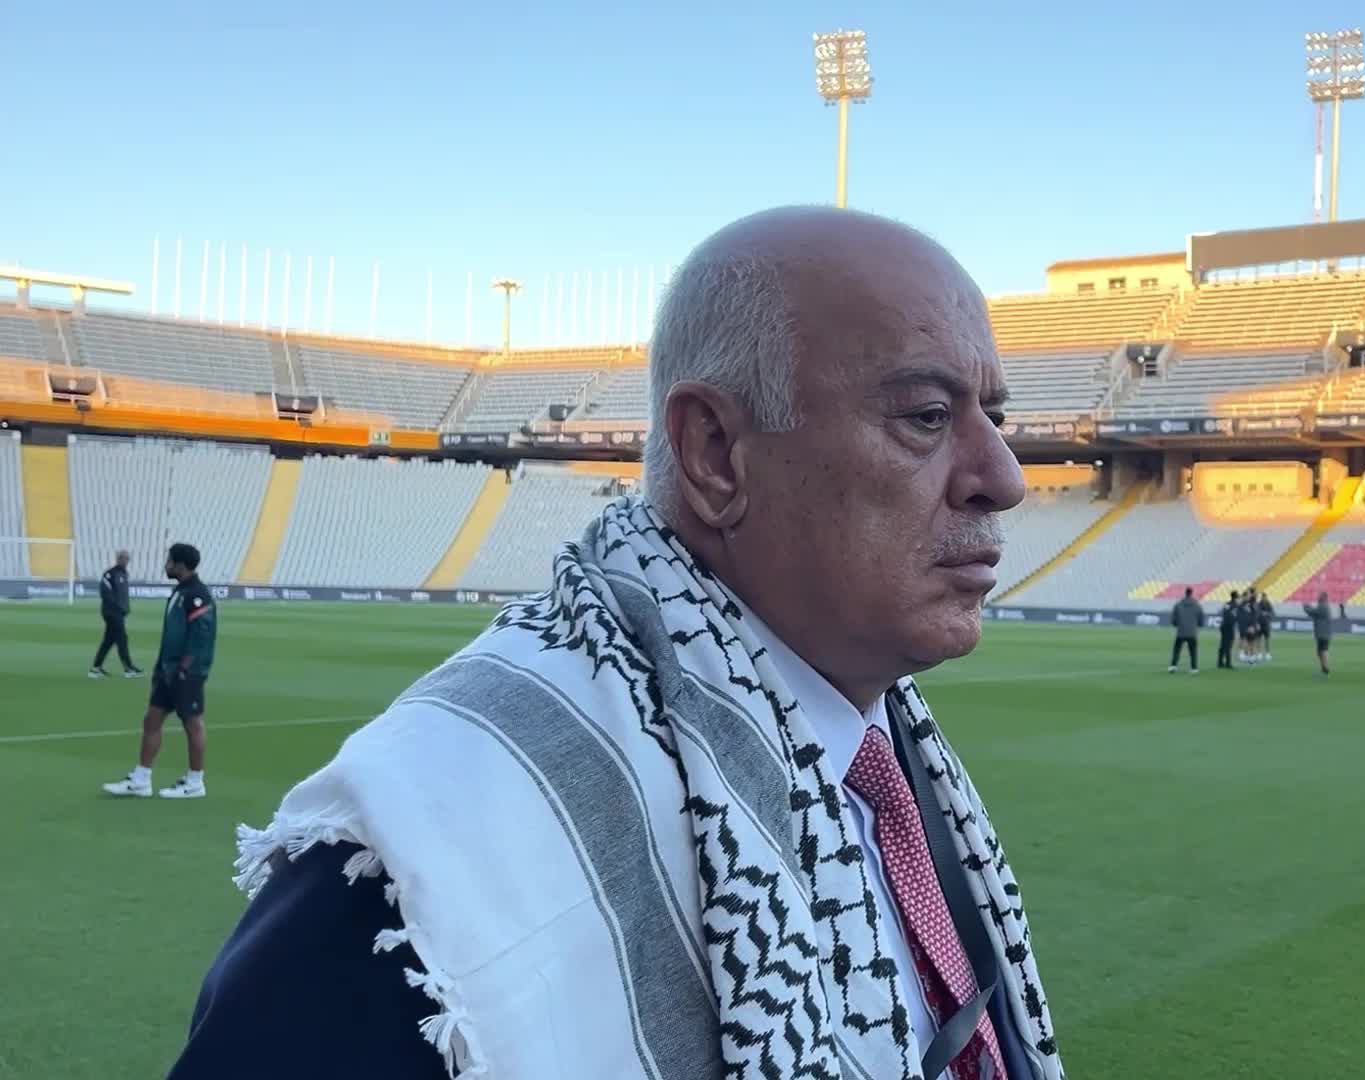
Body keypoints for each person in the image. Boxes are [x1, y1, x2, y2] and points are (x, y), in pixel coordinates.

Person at [168, 208, 1065, 1080]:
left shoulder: (882, 751)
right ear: (714, 452)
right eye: (926, 416)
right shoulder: (428, 868)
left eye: (992, 416)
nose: (1005, 478)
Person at [103, 543, 215, 799]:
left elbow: (202, 634)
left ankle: (195, 782)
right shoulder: (182, 591)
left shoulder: (197, 594)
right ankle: (141, 779)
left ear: (181, 565)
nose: (166, 565)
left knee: (193, 723)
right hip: (168, 669)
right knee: (152, 719)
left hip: (185, 671)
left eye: (170, 561)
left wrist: (185, 667)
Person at [89, 548, 143, 679]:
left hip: (119, 612)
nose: (125, 560)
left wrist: (125, 609)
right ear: (118, 559)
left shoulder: (124, 574)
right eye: (123, 557)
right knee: (122, 639)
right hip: (112, 612)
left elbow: (122, 594)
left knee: (108, 641)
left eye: (127, 558)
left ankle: (95, 668)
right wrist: (117, 607)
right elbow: (105, 592)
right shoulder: (110, 574)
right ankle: (128, 668)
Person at [1169, 586, 1202, 674]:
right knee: (1193, 651)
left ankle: (1173, 666)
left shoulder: (1178, 604)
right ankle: (1194, 668)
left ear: (1185, 593)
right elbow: (1201, 618)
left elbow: (1173, 618)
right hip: (1192, 632)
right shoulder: (1197, 605)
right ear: (1191, 593)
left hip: (1181, 631)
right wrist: (1198, 625)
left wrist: (1177, 624)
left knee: (1177, 650)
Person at [1302, 591, 1336, 677]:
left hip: (1323, 633)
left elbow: (1313, 612)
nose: (1318, 597)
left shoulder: (1323, 606)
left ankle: (1326, 670)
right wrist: (1308, 607)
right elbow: (1315, 612)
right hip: (1323, 633)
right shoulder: (1323, 606)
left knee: (1323, 651)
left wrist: (1305, 606)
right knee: (1320, 651)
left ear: (1323, 597)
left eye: (1319, 596)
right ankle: (1323, 669)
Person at [1216, 589, 1240, 669]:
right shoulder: (1235, 605)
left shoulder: (1227, 604)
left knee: (1223, 644)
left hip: (1223, 626)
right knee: (1229, 645)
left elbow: (1223, 613)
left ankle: (1220, 662)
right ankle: (1228, 663)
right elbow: (1234, 616)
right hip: (1229, 626)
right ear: (1236, 597)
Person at [1256, 591, 1275, 662]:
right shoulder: (1258, 604)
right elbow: (1256, 613)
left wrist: (1267, 614)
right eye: (1263, 597)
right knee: (1259, 639)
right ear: (1261, 597)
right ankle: (1259, 653)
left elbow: (1272, 613)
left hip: (1266, 624)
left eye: (1265, 597)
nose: (1264, 598)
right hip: (1259, 624)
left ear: (1266, 597)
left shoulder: (1269, 604)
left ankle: (1267, 654)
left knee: (1267, 640)